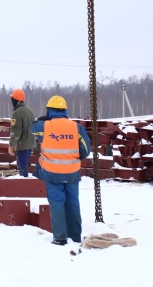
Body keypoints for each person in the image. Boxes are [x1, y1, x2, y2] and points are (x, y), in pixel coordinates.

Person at [31, 95, 91, 245]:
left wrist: (42, 120)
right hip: (72, 173)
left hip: (52, 173)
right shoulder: (76, 127)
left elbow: (31, 128)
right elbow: (86, 150)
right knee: (73, 203)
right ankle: (75, 237)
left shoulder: (44, 126)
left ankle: (60, 237)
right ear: (65, 110)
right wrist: (72, 158)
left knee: (57, 203)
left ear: (49, 110)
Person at [8, 89, 36, 177]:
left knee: (22, 169)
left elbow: (16, 131)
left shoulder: (17, 113)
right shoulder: (30, 111)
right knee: (25, 166)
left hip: (22, 145)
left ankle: (24, 186)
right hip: (29, 145)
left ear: (17, 100)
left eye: (12, 99)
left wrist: (11, 145)